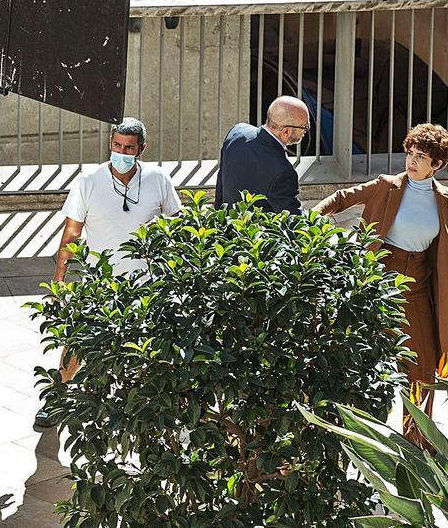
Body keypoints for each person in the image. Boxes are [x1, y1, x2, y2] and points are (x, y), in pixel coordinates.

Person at [313, 123, 448, 432]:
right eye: (410, 153)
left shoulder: (443, 197)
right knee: (359, 357)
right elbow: (341, 198)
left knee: (422, 367)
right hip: (380, 277)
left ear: (437, 164)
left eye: (421, 156)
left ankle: (416, 439)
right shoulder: (386, 185)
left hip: (417, 287)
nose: (411, 161)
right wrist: (311, 220)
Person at [36, 117, 181, 428]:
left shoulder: (158, 180)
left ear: (141, 149)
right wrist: (58, 278)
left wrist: (164, 230)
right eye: (117, 145)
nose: (121, 151)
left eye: (128, 147)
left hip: (147, 283)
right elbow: (71, 234)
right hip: (101, 282)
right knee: (79, 341)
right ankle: (55, 396)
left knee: (148, 346)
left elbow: (178, 221)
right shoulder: (88, 182)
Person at [213, 95, 310, 213]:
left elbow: (220, 187)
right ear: (286, 131)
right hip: (256, 230)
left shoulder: (237, 132)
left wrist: (219, 220)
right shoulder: (283, 171)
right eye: (304, 127)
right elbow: (294, 219)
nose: (306, 130)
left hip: (228, 224)